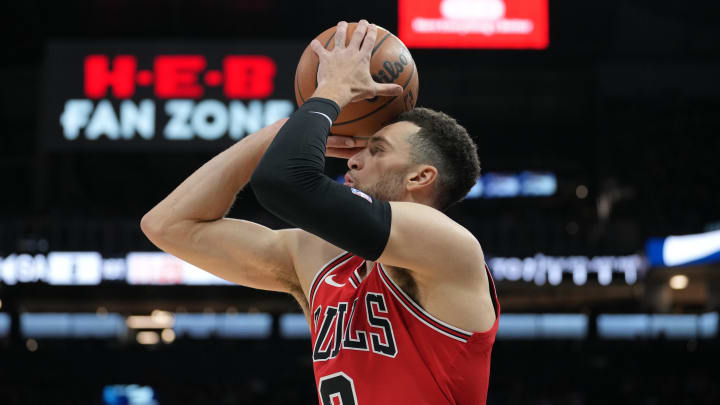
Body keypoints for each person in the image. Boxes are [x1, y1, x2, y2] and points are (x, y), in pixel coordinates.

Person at [141, 20, 499, 405]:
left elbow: (286, 183)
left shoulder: (448, 246)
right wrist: (279, 131)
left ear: (421, 176)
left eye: (376, 150)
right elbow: (168, 226)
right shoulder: (321, 259)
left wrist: (331, 91)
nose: (355, 160)